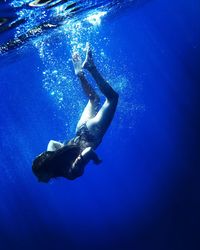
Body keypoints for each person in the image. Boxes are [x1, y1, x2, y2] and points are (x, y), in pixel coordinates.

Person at [32, 43, 119, 183]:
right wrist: (52, 155)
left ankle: (91, 67)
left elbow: (88, 151)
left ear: (46, 171)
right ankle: (80, 74)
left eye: (39, 177)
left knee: (112, 98)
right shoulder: (56, 156)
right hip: (80, 129)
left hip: (92, 134)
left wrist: (96, 159)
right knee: (94, 99)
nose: (39, 180)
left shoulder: (70, 172)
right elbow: (52, 143)